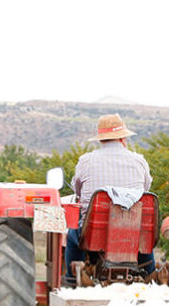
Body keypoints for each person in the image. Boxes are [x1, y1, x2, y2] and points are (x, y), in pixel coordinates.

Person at [65, 114, 154, 279]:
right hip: (131, 234)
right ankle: (150, 274)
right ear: (122, 138)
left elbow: (78, 191)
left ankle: (72, 277)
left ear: (101, 139)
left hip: (94, 234)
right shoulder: (139, 161)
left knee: (71, 236)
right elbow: (146, 190)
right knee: (142, 239)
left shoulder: (86, 161)